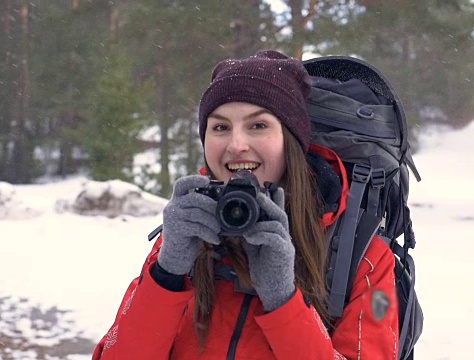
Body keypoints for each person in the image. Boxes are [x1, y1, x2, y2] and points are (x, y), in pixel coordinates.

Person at [92, 50, 399, 359]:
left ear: (290, 140)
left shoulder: (363, 256)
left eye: (258, 126)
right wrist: (166, 276)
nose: (236, 145)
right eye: (220, 127)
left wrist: (284, 299)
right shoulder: (186, 234)